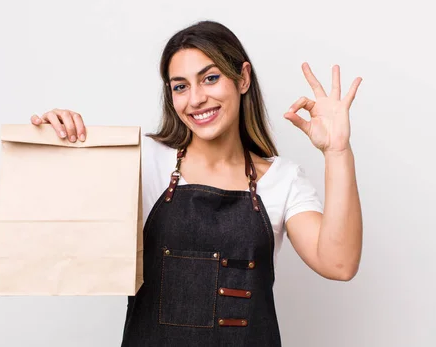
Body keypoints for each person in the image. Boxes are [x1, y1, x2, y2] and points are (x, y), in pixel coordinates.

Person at [30, 20, 363, 347]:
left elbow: (339, 263)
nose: (196, 99)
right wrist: (59, 141)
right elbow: (59, 220)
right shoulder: (143, 160)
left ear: (242, 78)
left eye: (210, 78)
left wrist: (337, 151)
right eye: (180, 86)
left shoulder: (282, 179)